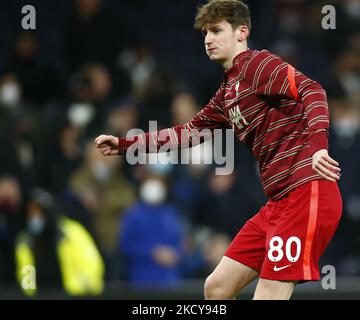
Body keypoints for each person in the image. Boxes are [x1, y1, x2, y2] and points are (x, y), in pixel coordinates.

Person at [94, 0, 342, 300]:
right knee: (216, 287)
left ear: (242, 32)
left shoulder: (257, 64)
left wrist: (318, 147)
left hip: (306, 191)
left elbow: (312, 90)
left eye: (216, 30)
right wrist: (125, 144)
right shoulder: (228, 92)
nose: (208, 39)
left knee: (269, 294)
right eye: (204, 34)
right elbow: (185, 134)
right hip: (278, 202)